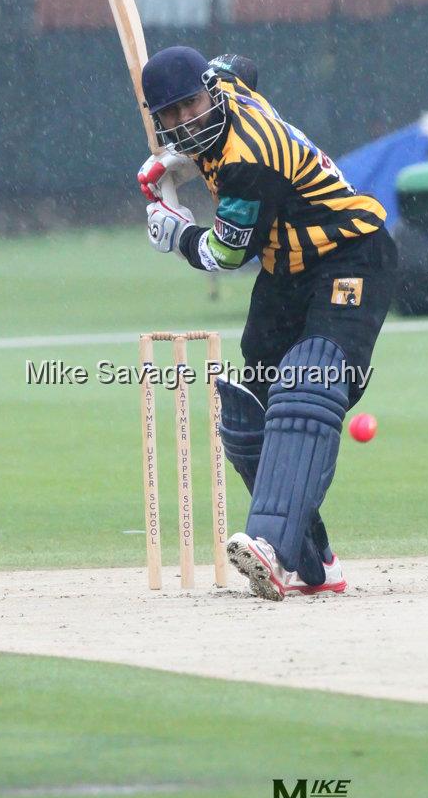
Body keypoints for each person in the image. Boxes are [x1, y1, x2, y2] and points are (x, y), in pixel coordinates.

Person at [137, 46, 397, 601]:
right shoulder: (227, 85)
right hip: (288, 270)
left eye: (192, 106)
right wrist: (179, 160)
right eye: (172, 116)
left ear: (209, 91)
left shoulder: (248, 163)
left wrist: (175, 231)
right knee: (249, 414)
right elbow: (243, 64)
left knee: (309, 383)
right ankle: (314, 562)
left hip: (351, 253)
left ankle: (270, 549)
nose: (188, 121)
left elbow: (226, 256)